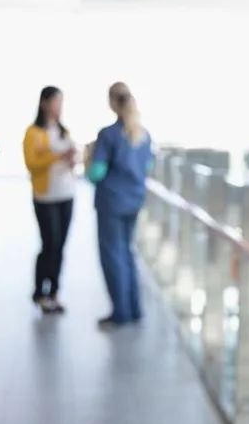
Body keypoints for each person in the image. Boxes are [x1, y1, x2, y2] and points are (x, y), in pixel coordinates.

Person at [86, 82, 153, 328]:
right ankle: (135, 308)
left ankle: (120, 312)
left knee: (113, 255)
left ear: (112, 102)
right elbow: (147, 168)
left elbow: (96, 172)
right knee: (127, 252)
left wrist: (88, 161)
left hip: (112, 202)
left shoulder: (108, 135)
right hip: (134, 200)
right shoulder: (143, 135)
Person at [23, 86, 77, 314]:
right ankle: (40, 292)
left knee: (61, 245)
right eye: (55, 102)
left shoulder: (65, 131)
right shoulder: (33, 133)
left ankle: (54, 292)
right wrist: (57, 157)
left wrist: (72, 160)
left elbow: (72, 159)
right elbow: (32, 163)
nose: (58, 107)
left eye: (61, 102)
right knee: (50, 243)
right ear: (44, 103)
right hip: (45, 196)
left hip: (66, 193)